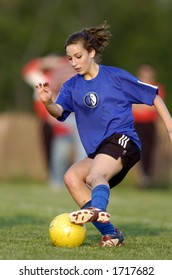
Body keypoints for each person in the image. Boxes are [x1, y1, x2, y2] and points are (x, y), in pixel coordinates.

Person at [35, 22, 172, 246]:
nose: (74, 63)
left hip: (123, 140)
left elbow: (153, 96)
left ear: (91, 52)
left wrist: (169, 128)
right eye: (70, 59)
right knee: (71, 177)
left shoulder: (115, 77)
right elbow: (59, 112)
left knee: (94, 176)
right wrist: (49, 102)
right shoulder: (71, 87)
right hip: (100, 150)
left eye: (78, 56)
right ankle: (112, 234)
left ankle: (97, 208)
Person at [22, 55, 85, 187]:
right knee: (61, 152)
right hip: (55, 121)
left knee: (76, 148)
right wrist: (47, 61)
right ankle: (58, 180)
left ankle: (78, 178)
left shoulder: (69, 80)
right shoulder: (44, 79)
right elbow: (28, 70)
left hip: (68, 119)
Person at [132, 64, 166, 188]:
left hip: (150, 124)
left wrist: (142, 107)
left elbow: (155, 108)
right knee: (138, 150)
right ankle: (141, 177)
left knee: (149, 151)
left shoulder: (157, 88)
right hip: (136, 124)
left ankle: (147, 177)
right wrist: (147, 106)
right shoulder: (134, 88)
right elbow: (132, 106)